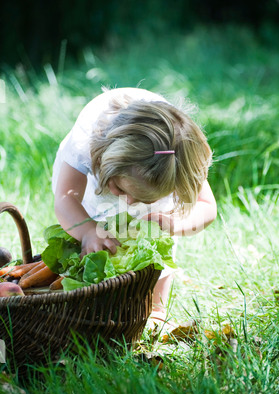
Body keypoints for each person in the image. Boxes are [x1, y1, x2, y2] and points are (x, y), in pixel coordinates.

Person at [52, 87, 217, 320]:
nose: (129, 202)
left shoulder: (177, 156)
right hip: (90, 183)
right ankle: (96, 299)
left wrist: (173, 224)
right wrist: (88, 232)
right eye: (120, 189)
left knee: (156, 241)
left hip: (150, 168)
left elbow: (207, 206)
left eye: (143, 198)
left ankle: (156, 307)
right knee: (91, 231)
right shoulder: (85, 143)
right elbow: (65, 197)